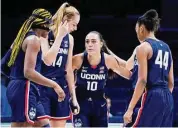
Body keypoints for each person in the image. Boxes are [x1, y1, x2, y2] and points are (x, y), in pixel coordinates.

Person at [4, 8, 65, 127]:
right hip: (24, 88)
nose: (51, 28)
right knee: (22, 125)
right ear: (42, 24)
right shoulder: (33, 40)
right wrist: (55, 85)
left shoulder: (21, 37)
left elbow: (3, 65)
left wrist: (14, 80)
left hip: (22, 87)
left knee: (43, 124)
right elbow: (28, 73)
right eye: (50, 24)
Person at [123, 9, 174, 127]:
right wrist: (163, 99)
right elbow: (171, 82)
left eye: (136, 30)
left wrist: (130, 109)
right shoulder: (167, 48)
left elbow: (142, 80)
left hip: (152, 94)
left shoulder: (143, 47)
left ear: (141, 28)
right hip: (168, 97)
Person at [72, 31, 132, 127]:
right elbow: (65, 73)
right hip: (81, 106)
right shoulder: (78, 59)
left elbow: (127, 74)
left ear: (101, 44)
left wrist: (142, 78)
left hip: (99, 106)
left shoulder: (108, 60)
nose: (89, 44)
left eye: (93, 41)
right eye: (87, 42)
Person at [38, 2, 80, 127]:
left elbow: (68, 70)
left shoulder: (70, 39)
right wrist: (60, 36)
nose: (76, 28)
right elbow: (47, 60)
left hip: (61, 88)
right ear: (65, 21)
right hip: (43, 86)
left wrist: (74, 97)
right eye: (74, 24)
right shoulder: (45, 32)